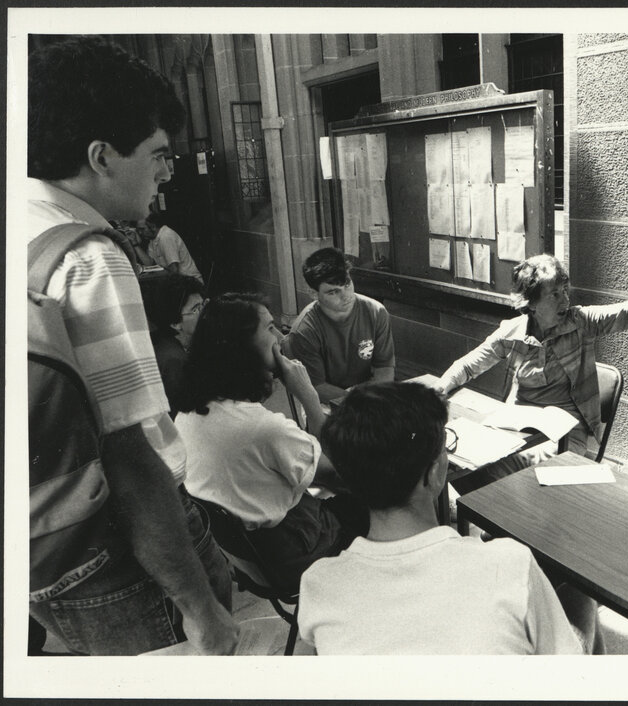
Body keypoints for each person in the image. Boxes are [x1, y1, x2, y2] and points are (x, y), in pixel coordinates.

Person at [27, 36, 237, 655]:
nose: (167, 172)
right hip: (113, 549)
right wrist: (201, 609)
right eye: (159, 155)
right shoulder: (87, 256)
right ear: (101, 156)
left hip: (42, 539)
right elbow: (129, 452)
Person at [298, 381, 583, 655]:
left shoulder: (317, 585)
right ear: (435, 473)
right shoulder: (513, 564)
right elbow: (568, 677)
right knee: (579, 593)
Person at [437, 252, 628, 494]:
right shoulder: (511, 333)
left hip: (568, 431)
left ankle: (520, 527)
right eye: (554, 295)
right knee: (465, 466)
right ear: (530, 303)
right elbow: (469, 365)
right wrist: (442, 388)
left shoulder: (581, 321)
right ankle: (503, 521)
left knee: (536, 471)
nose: (565, 300)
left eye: (564, 290)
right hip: (518, 426)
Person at [174, 293, 369, 591]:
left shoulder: (188, 412)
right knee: (381, 498)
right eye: (269, 329)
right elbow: (342, 478)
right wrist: (309, 398)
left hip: (254, 561)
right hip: (300, 556)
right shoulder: (261, 428)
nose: (281, 336)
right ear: (241, 346)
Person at [282, 247, 395, 404]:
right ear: (314, 294)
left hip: (368, 393)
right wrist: (360, 404)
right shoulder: (305, 330)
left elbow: (385, 368)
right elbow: (317, 386)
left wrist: (373, 400)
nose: (346, 295)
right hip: (325, 401)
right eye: (333, 292)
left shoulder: (376, 312)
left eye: (347, 284)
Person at [144, 274, 205, 416]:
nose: (205, 312)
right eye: (196, 309)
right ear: (175, 323)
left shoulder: (164, 342)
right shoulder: (175, 361)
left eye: (204, 305)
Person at [140, 210, 203, 283]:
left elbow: (174, 270)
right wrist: (135, 244)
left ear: (153, 227)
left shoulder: (166, 236)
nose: (140, 233)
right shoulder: (153, 238)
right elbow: (150, 264)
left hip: (189, 283)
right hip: (178, 281)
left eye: (142, 229)